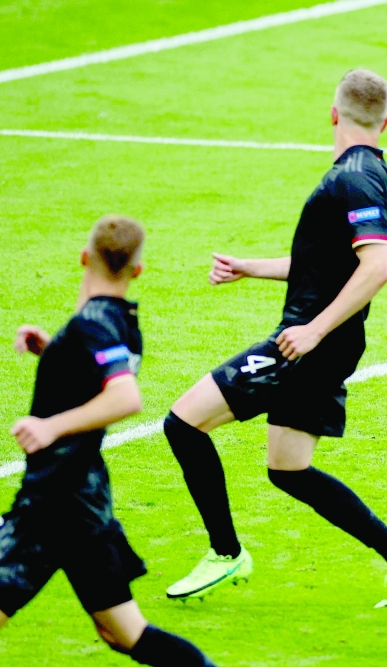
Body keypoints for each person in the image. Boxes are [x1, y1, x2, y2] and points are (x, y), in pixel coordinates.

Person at [162, 69, 387, 608]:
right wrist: (250, 267)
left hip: (307, 345)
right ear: (385, 122)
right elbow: (326, 265)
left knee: (182, 423)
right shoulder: (372, 175)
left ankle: (225, 553)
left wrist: (311, 330)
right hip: (320, 341)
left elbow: (376, 268)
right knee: (289, 470)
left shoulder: (352, 179)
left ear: (333, 114)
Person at [0, 215, 216, 666]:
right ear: (137, 272)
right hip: (85, 500)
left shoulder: (92, 325)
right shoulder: (118, 321)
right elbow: (96, 375)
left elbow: (124, 396)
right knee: (123, 634)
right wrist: (52, 350)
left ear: (83, 258)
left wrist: (50, 426)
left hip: (54, 501)